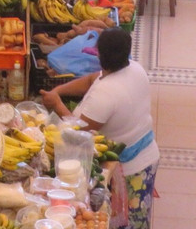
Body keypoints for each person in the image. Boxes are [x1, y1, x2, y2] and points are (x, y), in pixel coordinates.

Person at [40, 29, 158, 229]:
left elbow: (78, 133)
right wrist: (58, 90)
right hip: (148, 155)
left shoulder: (106, 95)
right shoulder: (135, 69)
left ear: (99, 55)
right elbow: (89, 80)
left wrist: (56, 103)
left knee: (130, 222)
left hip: (132, 169)